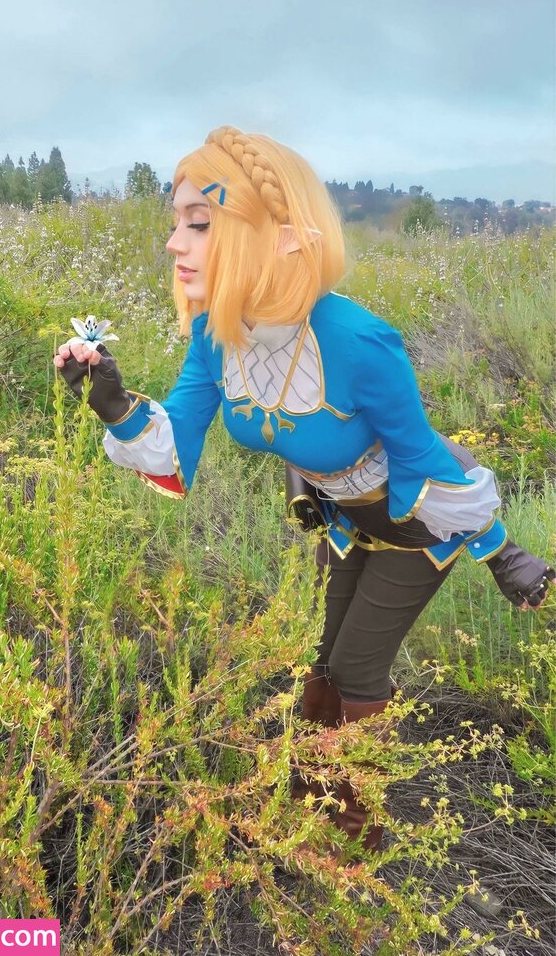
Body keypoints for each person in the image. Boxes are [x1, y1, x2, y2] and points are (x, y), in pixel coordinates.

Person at [53, 125, 554, 861]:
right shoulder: (215, 335)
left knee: (356, 669)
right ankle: (309, 802)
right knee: (315, 657)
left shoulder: (358, 342)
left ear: (282, 236)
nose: (174, 243)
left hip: (417, 525)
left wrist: (502, 554)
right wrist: (114, 404)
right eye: (176, 222)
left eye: (200, 223)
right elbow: (177, 447)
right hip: (342, 519)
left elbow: (425, 459)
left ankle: (355, 834)